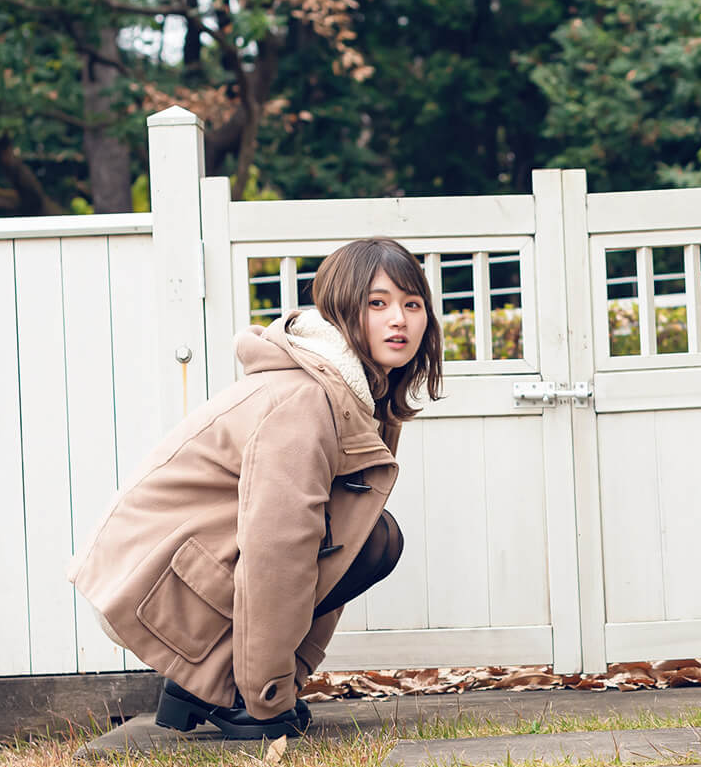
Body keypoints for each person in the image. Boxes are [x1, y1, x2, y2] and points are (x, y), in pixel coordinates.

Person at [67, 237, 442, 739]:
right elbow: (277, 550)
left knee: (374, 539)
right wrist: (267, 697)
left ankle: (213, 684)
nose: (399, 319)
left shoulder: (355, 394)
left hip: (184, 577)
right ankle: (232, 687)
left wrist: (283, 681)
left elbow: (328, 541)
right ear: (341, 310)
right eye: (378, 303)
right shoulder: (306, 400)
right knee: (358, 542)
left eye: (412, 305)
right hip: (152, 587)